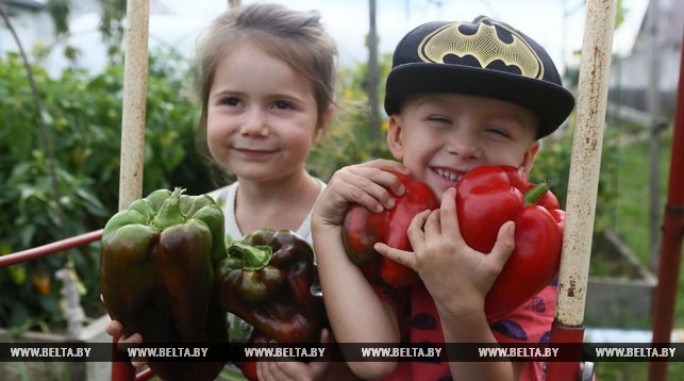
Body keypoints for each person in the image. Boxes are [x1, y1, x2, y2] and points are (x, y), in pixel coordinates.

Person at [312, 15, 575, 380]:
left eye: (497, 130)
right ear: (399, 135)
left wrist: (460, 305)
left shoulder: (529, 240)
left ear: (527, 159)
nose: (464, 147)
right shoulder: (385, 211)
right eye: (439, 118)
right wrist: (324, 225)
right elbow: (373, 359)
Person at [106, 3, 358, 380]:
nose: (254, 125)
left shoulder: (342, 225)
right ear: (205, 109)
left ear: (321, 121)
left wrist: (329, 375)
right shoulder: (192, 227)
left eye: (282, 105)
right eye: (232, 102)